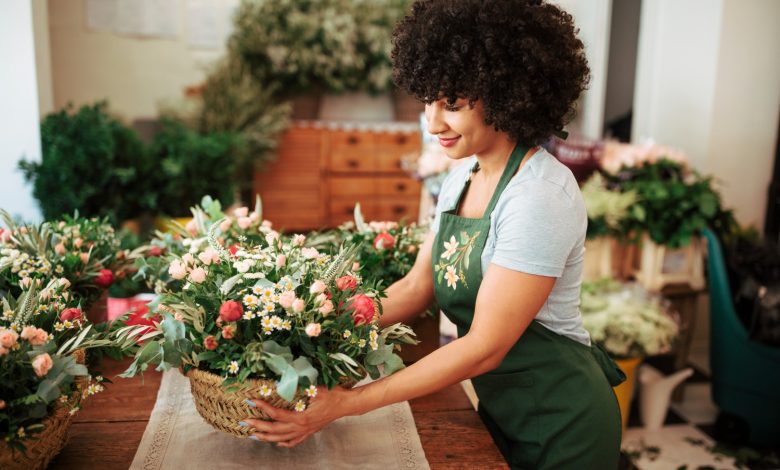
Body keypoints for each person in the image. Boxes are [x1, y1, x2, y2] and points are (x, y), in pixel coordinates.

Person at [244, 1, 625, 467]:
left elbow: (485, 346)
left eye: (453, 105)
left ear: (507, 94)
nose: (432, 122)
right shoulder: (461, 178)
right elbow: (414, 288)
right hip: (502, 411)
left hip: (565, 425)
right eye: (428, 100)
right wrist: (306, 326)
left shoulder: (540, 196)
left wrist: (345, 403)